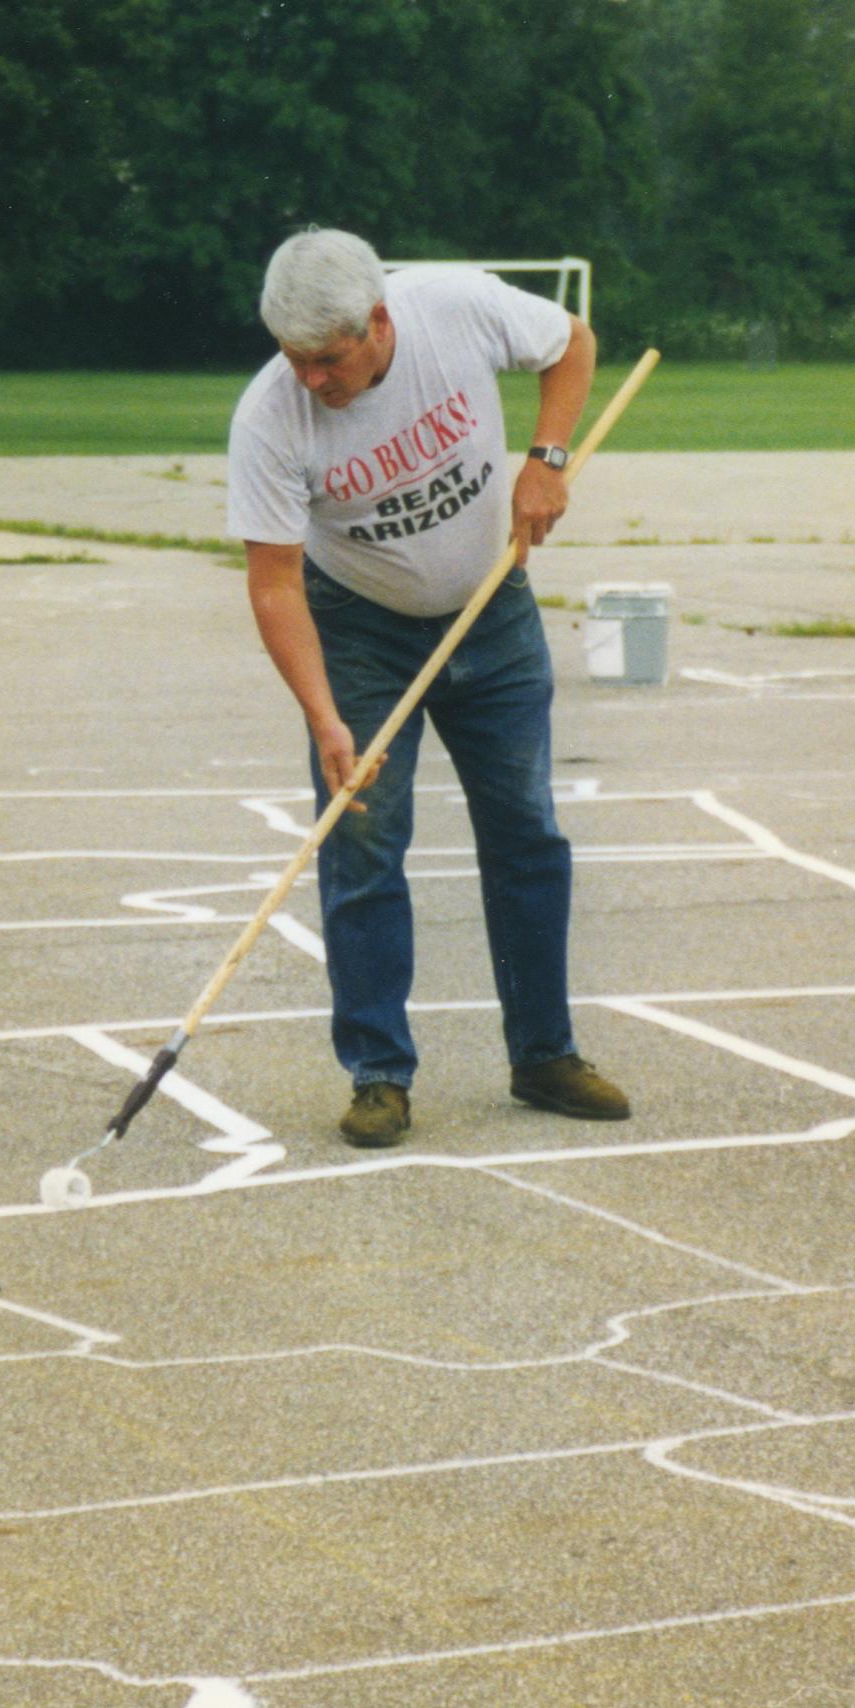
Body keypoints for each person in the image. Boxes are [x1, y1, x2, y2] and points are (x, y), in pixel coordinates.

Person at [227, 229, 630, 1145]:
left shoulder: (455, 307)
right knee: (362, 841)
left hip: (491, 608)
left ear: (378, 321)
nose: (313, 381)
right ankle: (378, 1073)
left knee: (527, 831)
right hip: (359, 631)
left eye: (329, 360)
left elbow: (573, 343)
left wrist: (547, 459)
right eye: (295, 360)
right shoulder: (269, 418)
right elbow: (274, 583)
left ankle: (544, 1054)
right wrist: (325, 716)